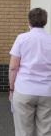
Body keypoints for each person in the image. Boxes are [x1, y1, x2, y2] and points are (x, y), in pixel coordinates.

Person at [9, 8, 51, 136]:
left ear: (29, 21)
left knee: (23, 131)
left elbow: (13, 67)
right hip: (47, 91)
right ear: (45, 21)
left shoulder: (22, 38)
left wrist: (11, 89)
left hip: (24, 90)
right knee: (45, 131)